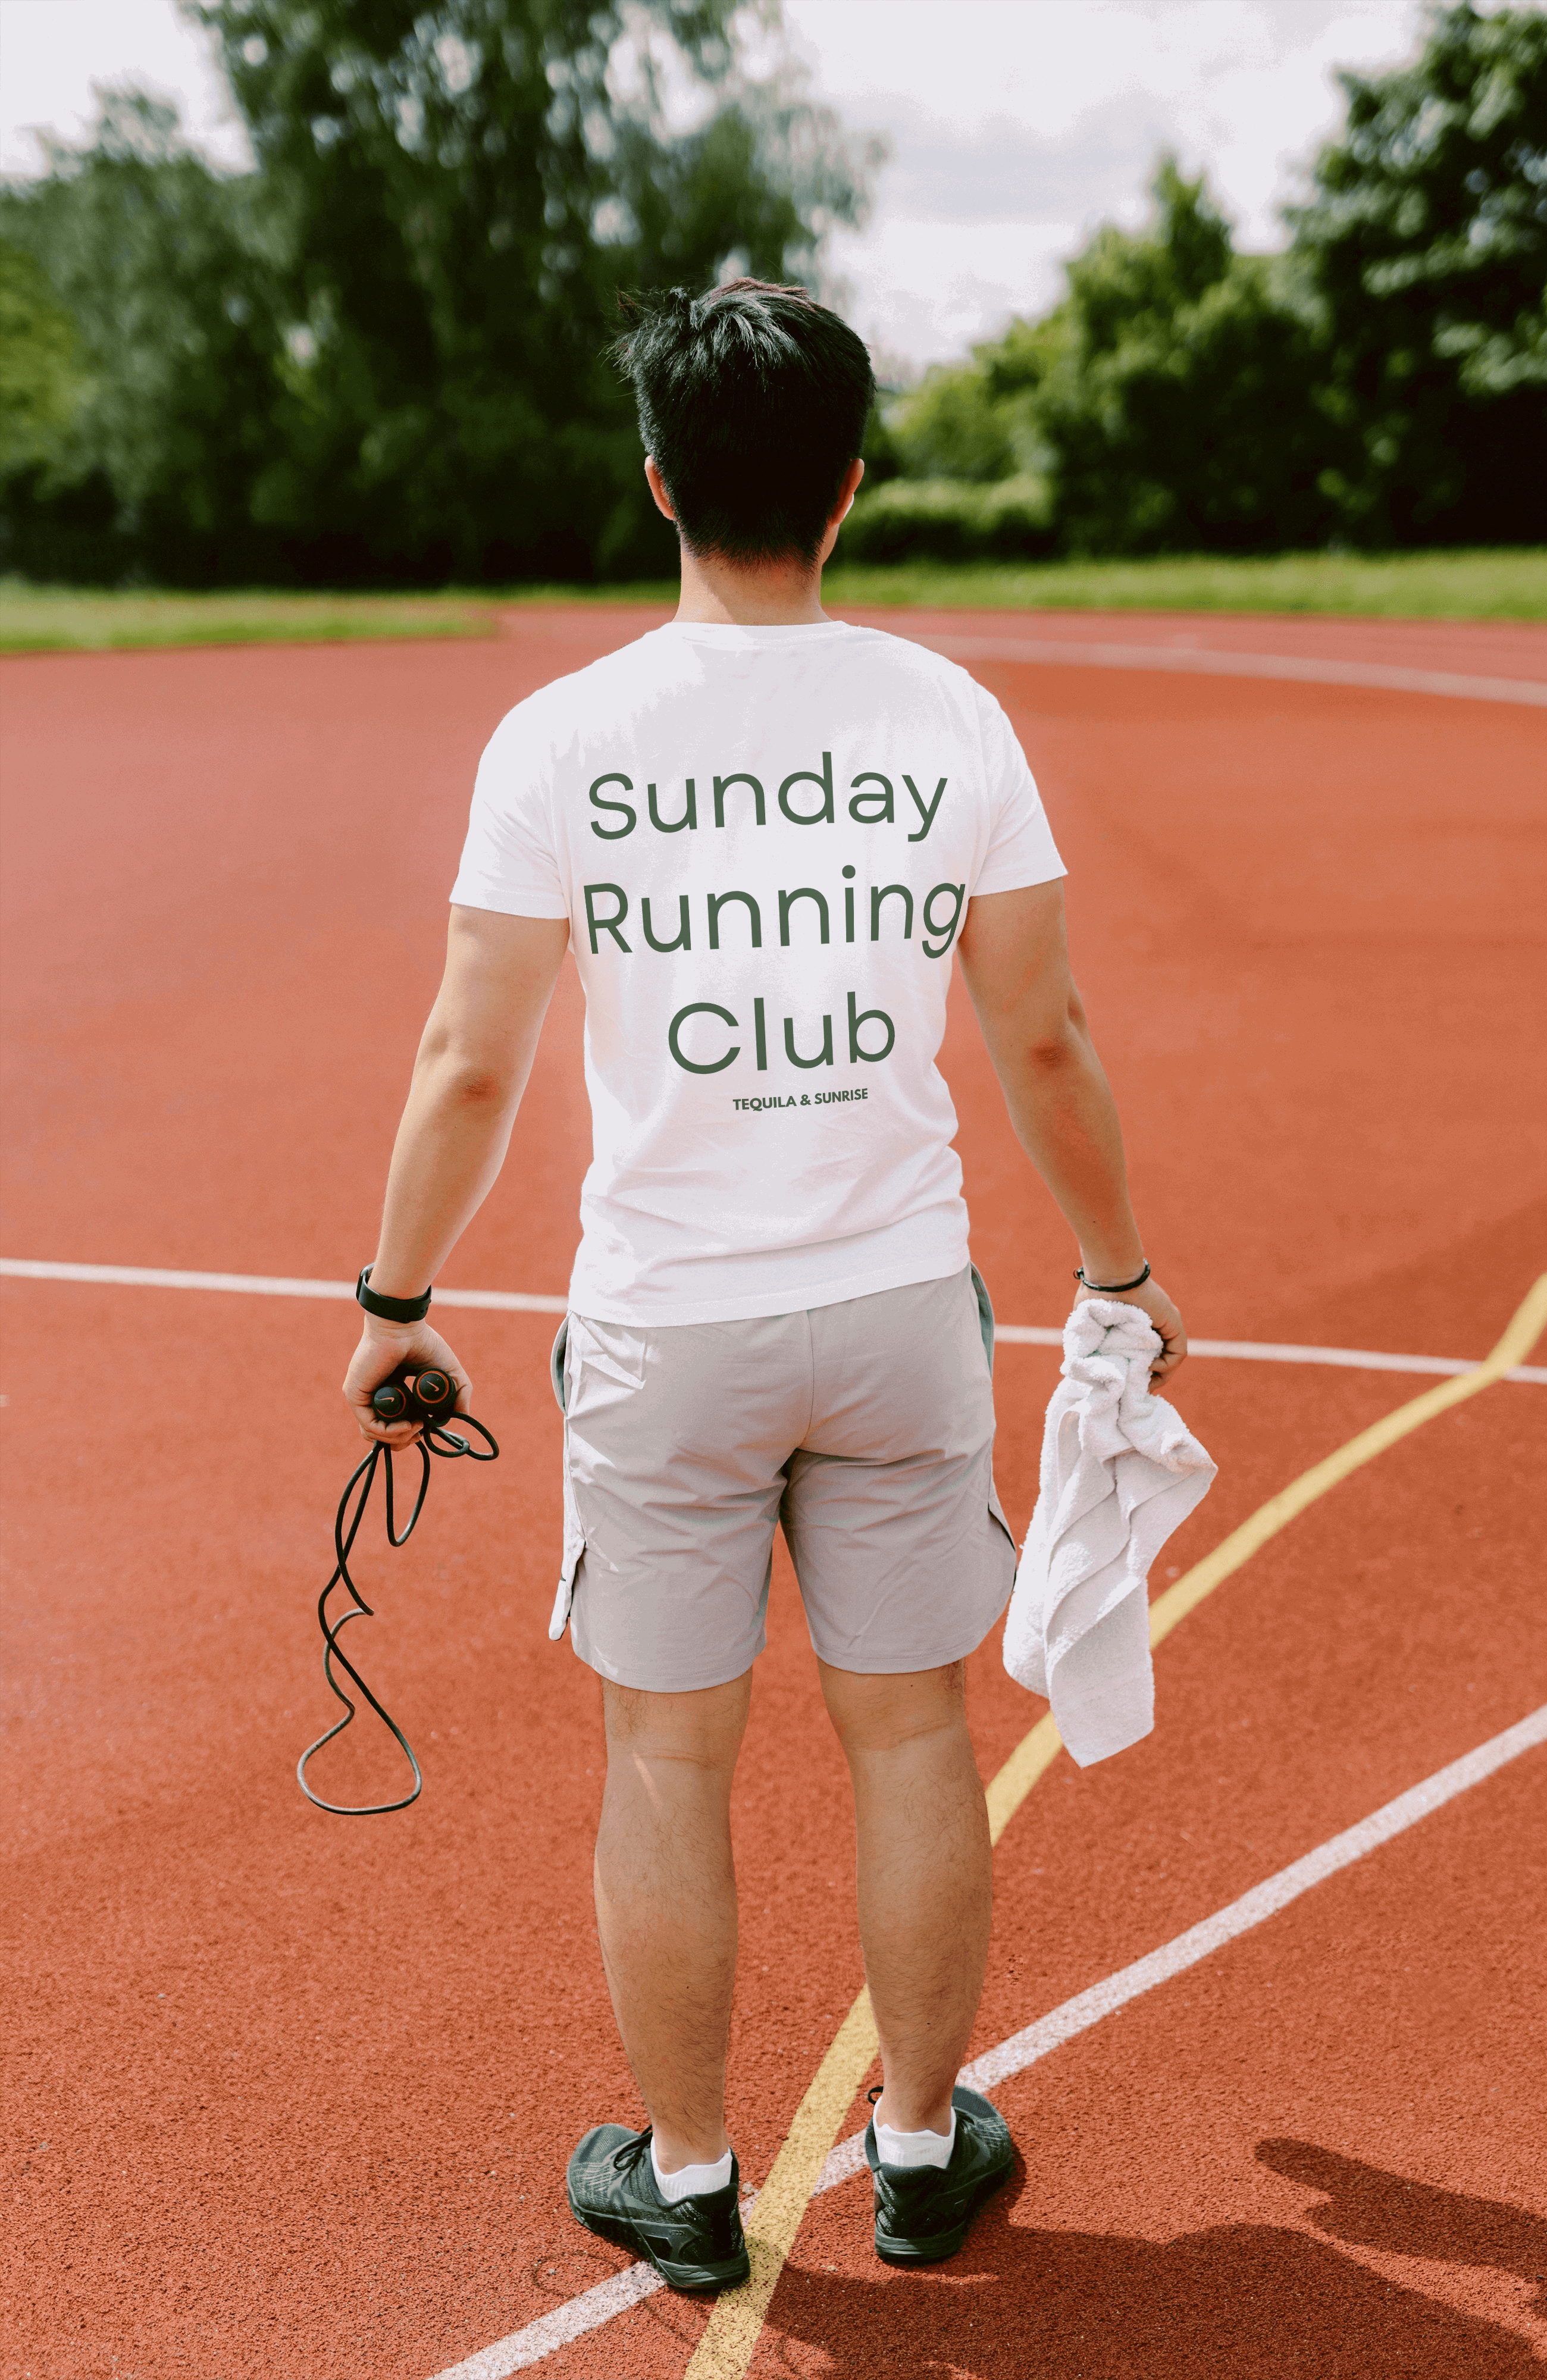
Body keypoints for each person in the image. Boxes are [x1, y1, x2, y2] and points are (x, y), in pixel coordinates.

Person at [343, 278, 1186, 2294]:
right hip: (901, 1305)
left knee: (665, 1756)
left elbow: (473, 1055)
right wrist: (1125, 1269)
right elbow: (1044, 1034)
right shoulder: (946, 715)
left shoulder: (565, 735)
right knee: (910, 1737)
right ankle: (915, 2150)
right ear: (851, 487)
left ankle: (697, 2179)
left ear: (656, 483)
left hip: (667, 1320)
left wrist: (394, 1299)